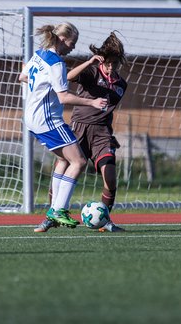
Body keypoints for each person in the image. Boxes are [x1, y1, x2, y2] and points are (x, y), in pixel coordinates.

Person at [19, 22, 107, 232]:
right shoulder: (56, 63)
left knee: (63, 159)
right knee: (78, 161)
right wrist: (92, 102)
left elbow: (22, 77)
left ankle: (52, 214)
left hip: (31, 119)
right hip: (47, 120)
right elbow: (64, 97)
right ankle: (58, 210)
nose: (73, 47)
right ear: (61, 39)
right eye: (72, 42)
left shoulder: (39, 54)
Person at [67, 31, 127, 232]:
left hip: (102, 133)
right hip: (79, 129)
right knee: (67, 171)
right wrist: (89, 62)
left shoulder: (121, 84)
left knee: (110, 177)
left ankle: (106, 221)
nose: (111, 67)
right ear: (102, 60)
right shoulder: (92, 72)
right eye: (108, 63)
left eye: (115, 63)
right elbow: (69, 76)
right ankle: (55, 213)